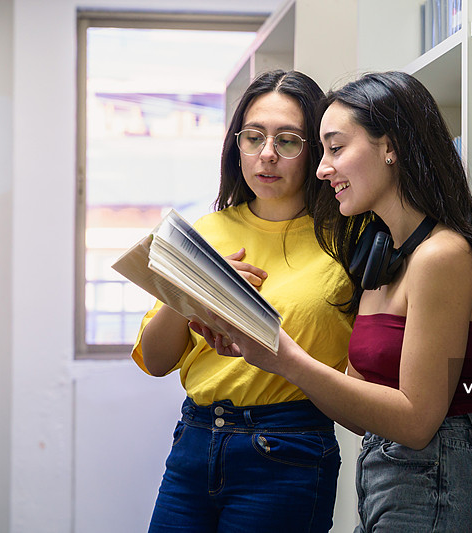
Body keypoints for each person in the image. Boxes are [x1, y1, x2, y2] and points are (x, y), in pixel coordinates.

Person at [195, 71, 472, 532]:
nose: (322, 169)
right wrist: (259, 354)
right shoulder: (381, 256)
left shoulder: (443, 256)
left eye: (336, 148)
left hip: (441, 484)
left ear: (391, 147)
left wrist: (286, 359)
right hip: (385, 482)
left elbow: (417, 422)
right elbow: (364, 412)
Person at [133, 69, 353, 533]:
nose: (267, 155)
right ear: (237, 145)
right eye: (253, 138)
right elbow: (155, 361)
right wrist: (196, 288)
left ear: (315, 149)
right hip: (194, 441)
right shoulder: (205, 233)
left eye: (288, 141)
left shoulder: (347, 239)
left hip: (289, 448)